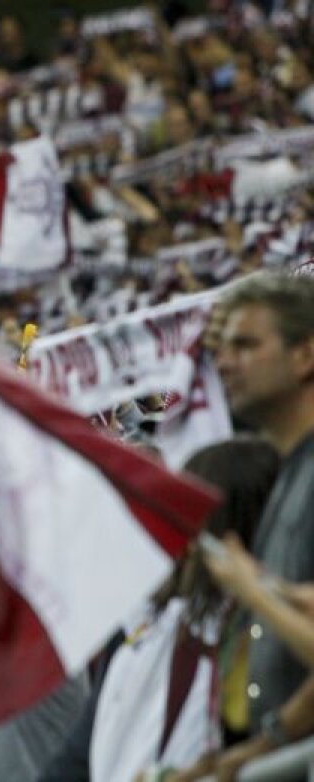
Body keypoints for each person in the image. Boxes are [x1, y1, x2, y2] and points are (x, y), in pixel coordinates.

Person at [175, 273, 314, 778]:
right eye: (223, 347)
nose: (225, 362)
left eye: (246, 345)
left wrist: (262, 750)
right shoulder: (290, 471)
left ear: (304, 356)